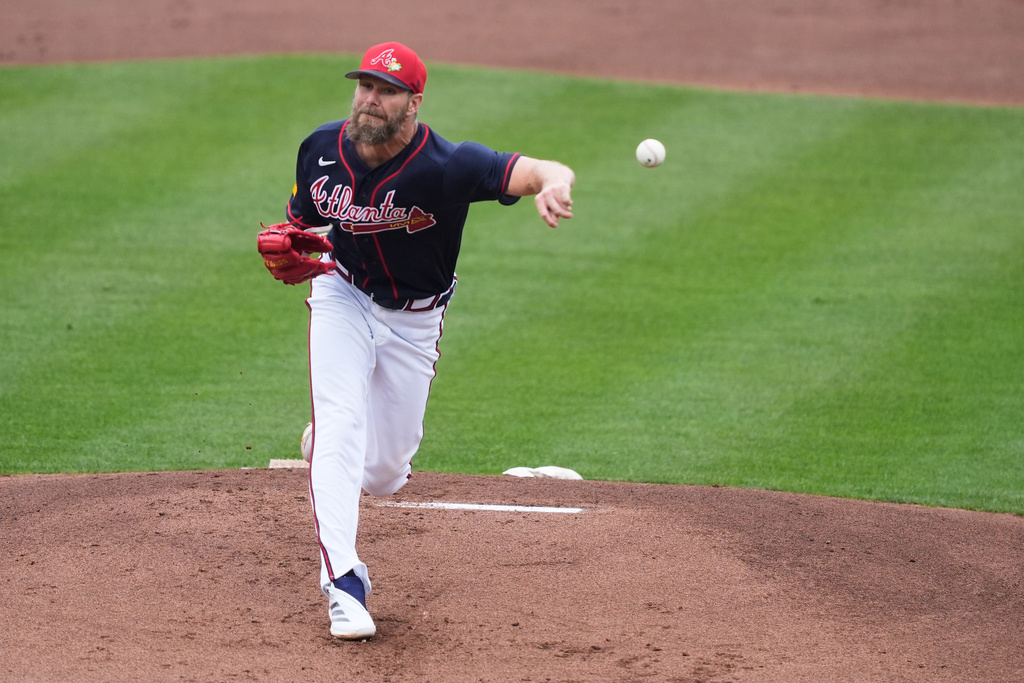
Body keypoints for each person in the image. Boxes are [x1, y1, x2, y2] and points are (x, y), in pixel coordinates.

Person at [265, 41, 575, 640]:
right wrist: (294, 245)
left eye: (386, 91)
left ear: (413, 103)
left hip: (415, 321)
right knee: (339, 422)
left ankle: (325, 446)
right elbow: (301, 224)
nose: (370, 100)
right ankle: (343, 584)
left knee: (382, 473)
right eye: (364, 87)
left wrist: (554, 183)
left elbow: (536, 169)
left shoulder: (449, 166)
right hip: (343, 295)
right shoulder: (320, 150)